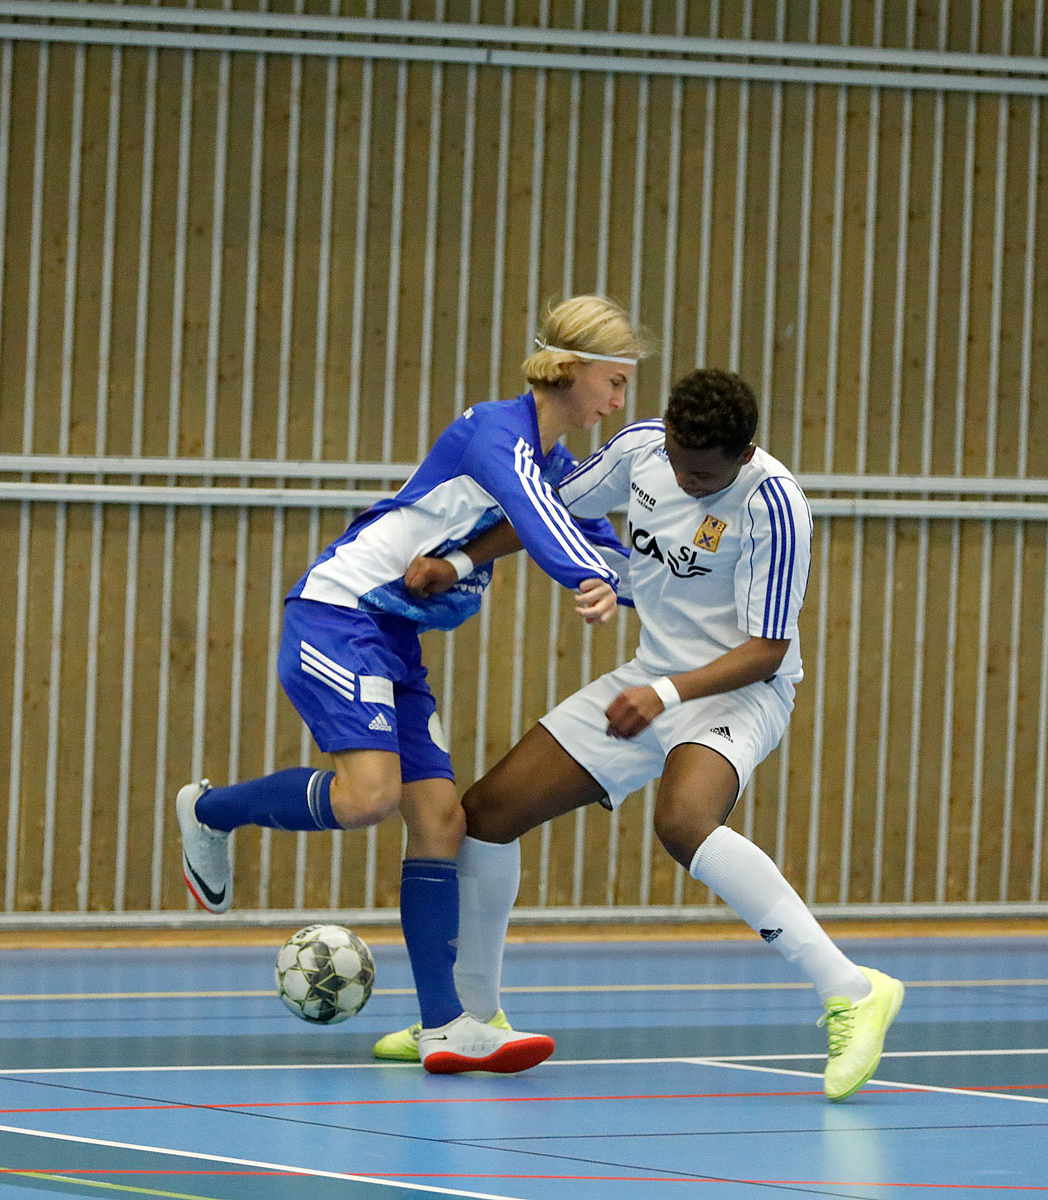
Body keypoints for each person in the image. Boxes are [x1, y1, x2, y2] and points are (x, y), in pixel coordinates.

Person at [370, 368, 904, 1101]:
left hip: (737, 692)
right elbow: (544, 510)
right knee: (487, 816)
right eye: (679, 463)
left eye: (703, 473)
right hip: (651, 678)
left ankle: (852, 989)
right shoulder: (642, 450)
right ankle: (474, 1015)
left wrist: (664, 694)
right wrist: (462, 559)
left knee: (684, 821)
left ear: (745, 454)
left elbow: (768, 648)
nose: (684, 481)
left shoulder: (774, 505)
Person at [175, 295, 647, 1075]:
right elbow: (538, 517)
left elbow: (595, 537)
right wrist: (584, 574)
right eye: (615, 381)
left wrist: (696, 605)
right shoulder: (496, 434)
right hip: (337, 613)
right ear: (568, 369)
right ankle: (210, 810)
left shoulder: (557, 465)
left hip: (392, 637)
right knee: (370, 797)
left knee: (441, 823)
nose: (619, 402)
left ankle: (443, 1028)